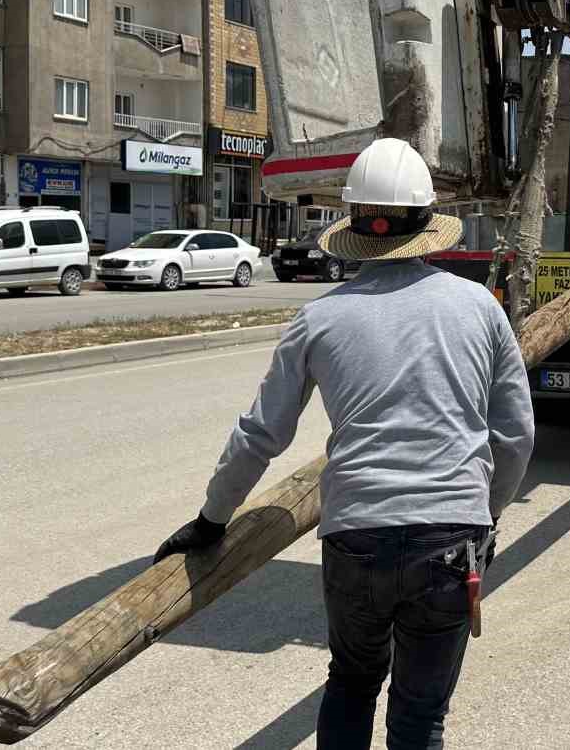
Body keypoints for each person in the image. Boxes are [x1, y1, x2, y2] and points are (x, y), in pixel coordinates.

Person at [153, 138, 536, 750]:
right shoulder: (477, 308)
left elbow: (260, 435)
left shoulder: (320, 318)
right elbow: (515, 435)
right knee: (420, 718)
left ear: (354, 223)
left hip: (355, 537)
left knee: (352, 683)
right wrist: (483, 518)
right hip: (449, 538)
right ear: (426, 222)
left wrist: (210, 520)